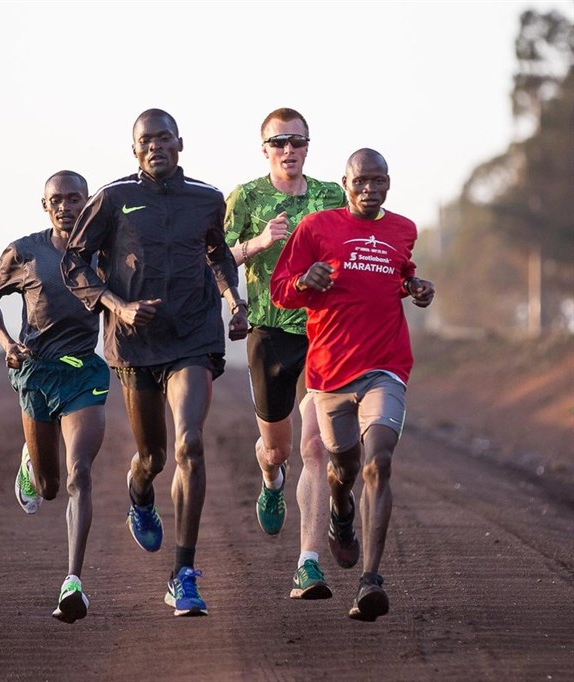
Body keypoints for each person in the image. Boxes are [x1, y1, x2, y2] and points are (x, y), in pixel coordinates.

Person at [62, 109, 249, 617]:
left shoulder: (208, 200)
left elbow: (219, 254)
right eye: (146, 141)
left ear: (180, 143)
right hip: (135, 343)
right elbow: (74, 263)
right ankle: (139, 492)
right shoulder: (114, 198)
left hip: (193, 335)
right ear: (135, 150)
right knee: (154, 457)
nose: (156, 147)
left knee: (190, 443)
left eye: (164, 138)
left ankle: (182, 573)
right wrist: (117, 306)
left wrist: (236, 302)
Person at [270, 148, 435, 621]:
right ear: (344, 183)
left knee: (378, 463)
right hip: (329, 377)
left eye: (378, 180)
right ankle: (342, 516)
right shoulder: (317, 228)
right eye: (360, 181)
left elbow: (401, 276)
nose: (369, 188)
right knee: (342, 470)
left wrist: (418, 289)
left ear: (388, 182)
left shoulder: (403, 229)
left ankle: (370, 581)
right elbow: (281, 290)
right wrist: (306, 279)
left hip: (386, 368)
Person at [223, 108, 346, 599]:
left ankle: (308, 564)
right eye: (279, 142)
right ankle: (271, 477)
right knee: (279, 447)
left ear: (308, 146)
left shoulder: (330, 196)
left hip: (322, 333)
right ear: (265, 149)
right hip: (270, 332)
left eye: (297, 142)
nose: (288, 150)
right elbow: (214, 257)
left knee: (316, 447)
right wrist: (257, 242)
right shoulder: (246, 197)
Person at [0, 170, 107, 624]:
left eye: (75, 198)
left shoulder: (102, 250)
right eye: (57, 200)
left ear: (88, 202)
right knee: (51, 487)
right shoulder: (24, 252)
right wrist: (7, 343)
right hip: (35, 372)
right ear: (45, 206)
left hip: (83, 373)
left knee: (80, 473)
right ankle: (31, 465)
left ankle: (73, 580)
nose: (65, 206)